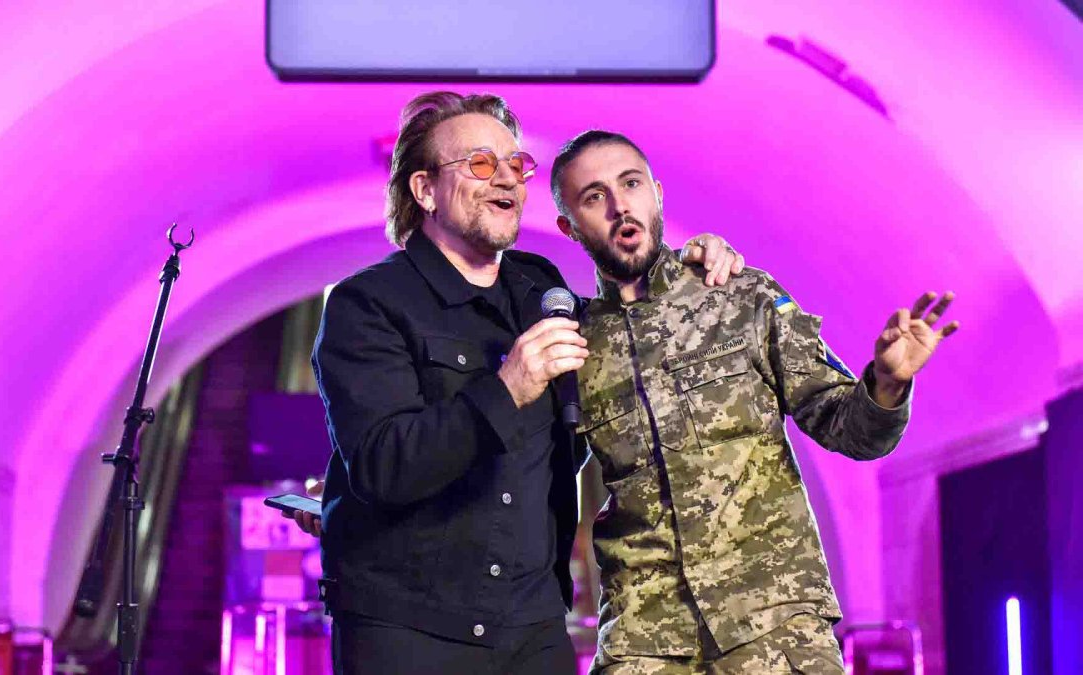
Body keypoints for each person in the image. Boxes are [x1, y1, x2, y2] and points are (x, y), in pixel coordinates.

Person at [299, 93, 743, 675]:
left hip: (532, 627)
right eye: (480, 164)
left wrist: (687, 266)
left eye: (516, 164)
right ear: (425, 191)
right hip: (409, 631)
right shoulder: (368, 305)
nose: (506, 177)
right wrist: (507, 386)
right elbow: (386, 466)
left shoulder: (543, 290)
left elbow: (630, 348)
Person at [550, 130, 959, 674]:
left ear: (657, 193)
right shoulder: (574, 347)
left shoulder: (743, 296)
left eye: (632, 183)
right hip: (643, 642)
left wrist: (886, 383)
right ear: (570, 226)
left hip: (773, 624)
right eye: (594, 196)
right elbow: (538, 485)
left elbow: (850, 430)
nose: (621, 204)